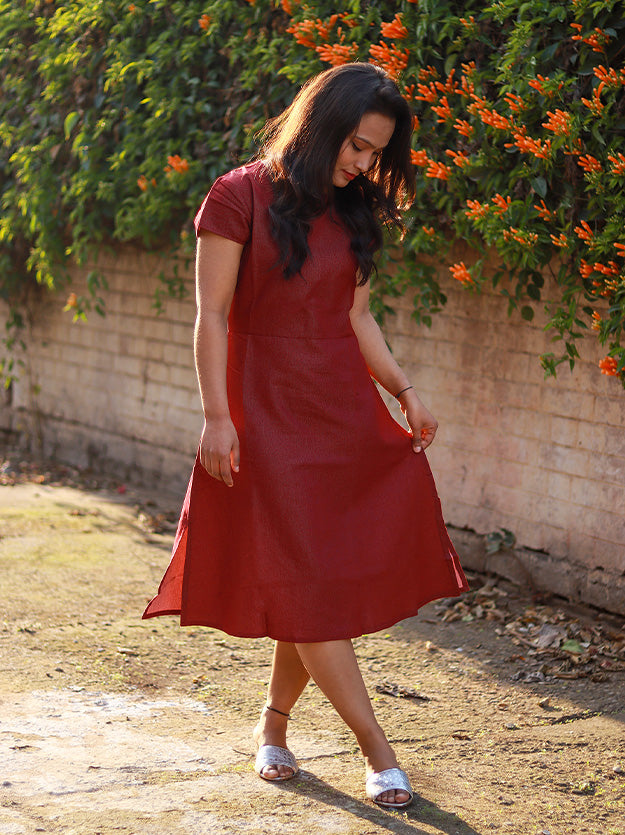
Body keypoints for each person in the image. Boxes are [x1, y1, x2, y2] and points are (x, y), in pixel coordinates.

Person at [143, 62, 468, 810]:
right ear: (320, 127)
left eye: (376, 154)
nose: (363, 165)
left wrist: (405, 392)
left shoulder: (355, 210)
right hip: (263, 415)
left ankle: (273, 722)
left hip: (339, 416)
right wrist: (216, 415)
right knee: (308, 581)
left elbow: (355, 318)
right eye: (355, 146)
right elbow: (212, 315)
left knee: (310, 579)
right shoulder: (237, 196)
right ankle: (377, 749)